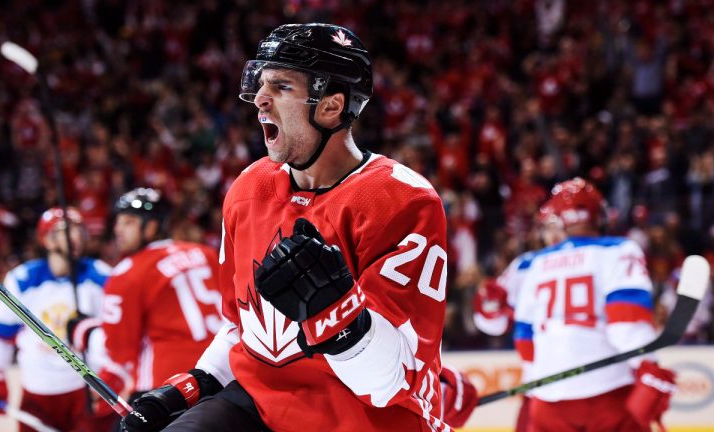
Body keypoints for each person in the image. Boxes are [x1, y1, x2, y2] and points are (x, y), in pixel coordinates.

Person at [120, 23, 475, 432]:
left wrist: (339, 318)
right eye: (261, 84)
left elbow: (388, 385)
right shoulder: (249, 187)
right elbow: (242, 327)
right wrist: (190, 387)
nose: (260, 100)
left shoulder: (401, 200)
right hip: (259, 402)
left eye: (282, 86)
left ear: (330, 106)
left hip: (363, 417)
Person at [512, 177, 676, 431]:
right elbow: (627, 321)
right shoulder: (618, 250)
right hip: (609, 393)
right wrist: (648, 364)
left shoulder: (535, 263)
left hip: (549, 399)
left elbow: (525, 338)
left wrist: (535, 385)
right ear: (599, 215)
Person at [71, 187, 223, 417]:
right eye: (118, 222)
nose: (118, 229)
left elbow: (119, 353)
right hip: (221, 377)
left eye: (129, 222)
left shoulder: (128, 273)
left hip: (165, 391)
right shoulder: (205, 253)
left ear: (151, 227)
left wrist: (85, 333)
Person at [0, 207, 112, 432]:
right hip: (37, 394)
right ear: (47, 240)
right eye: (65, 230)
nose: (76, 237)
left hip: (86, 391)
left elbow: (115, 335)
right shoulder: (23, 280)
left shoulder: (101, 275)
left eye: (80, 230)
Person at [472, 203, 566, 431]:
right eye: (548, 227)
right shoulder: (525, 266)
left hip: (591, 378)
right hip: (539, 381)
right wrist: (489, 307)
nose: (553, 234)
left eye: (559, 226)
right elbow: (493, 325)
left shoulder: (597, 257)